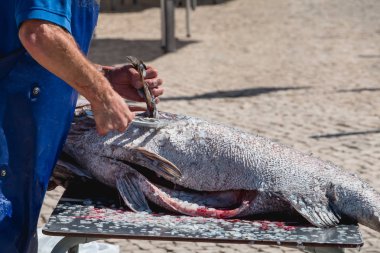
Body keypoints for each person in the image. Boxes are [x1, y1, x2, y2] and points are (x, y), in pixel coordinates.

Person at [0, 1, 164, 252]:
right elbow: (39, 32)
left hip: (25, 143)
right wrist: (102, 95)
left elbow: (39, 44)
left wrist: (103, 77)